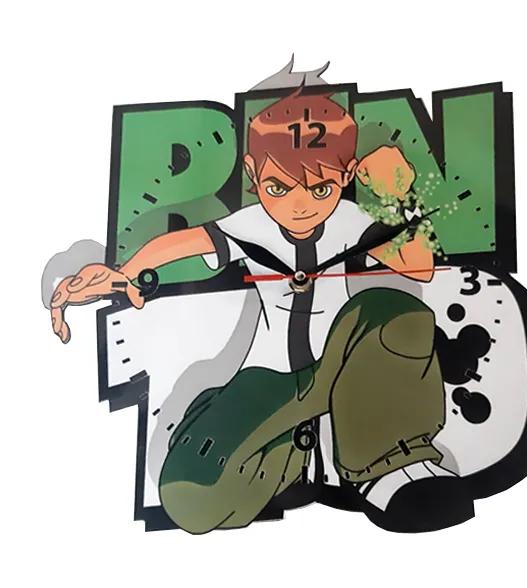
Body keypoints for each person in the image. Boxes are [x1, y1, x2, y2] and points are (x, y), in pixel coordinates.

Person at [50, 88, 473, 533]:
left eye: (321, 188)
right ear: (252, 172)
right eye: (277, 188)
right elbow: (183, 243)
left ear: (348, 174)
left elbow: (420, 267)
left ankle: (388, 465)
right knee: (190, 495)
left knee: (390, 309)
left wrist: (398, 193)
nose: (299, 205)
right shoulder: (249, 225)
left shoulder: (351, 221)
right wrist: (123, 273)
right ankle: (287, 455)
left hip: (341, 367)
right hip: (270, 380)